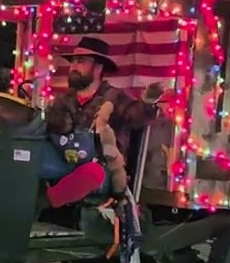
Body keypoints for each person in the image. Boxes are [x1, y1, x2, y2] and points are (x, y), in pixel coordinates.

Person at [43, 37, 162, 200]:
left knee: (93, 173)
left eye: (81, 61)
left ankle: (49, 201)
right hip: (64, 164)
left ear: (98, 67)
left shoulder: (114, 96)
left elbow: (139, 117)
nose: (73, 67)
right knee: (29, 157)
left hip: (102, 171)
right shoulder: (62, 100)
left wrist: (149, 100)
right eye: (73, 62)